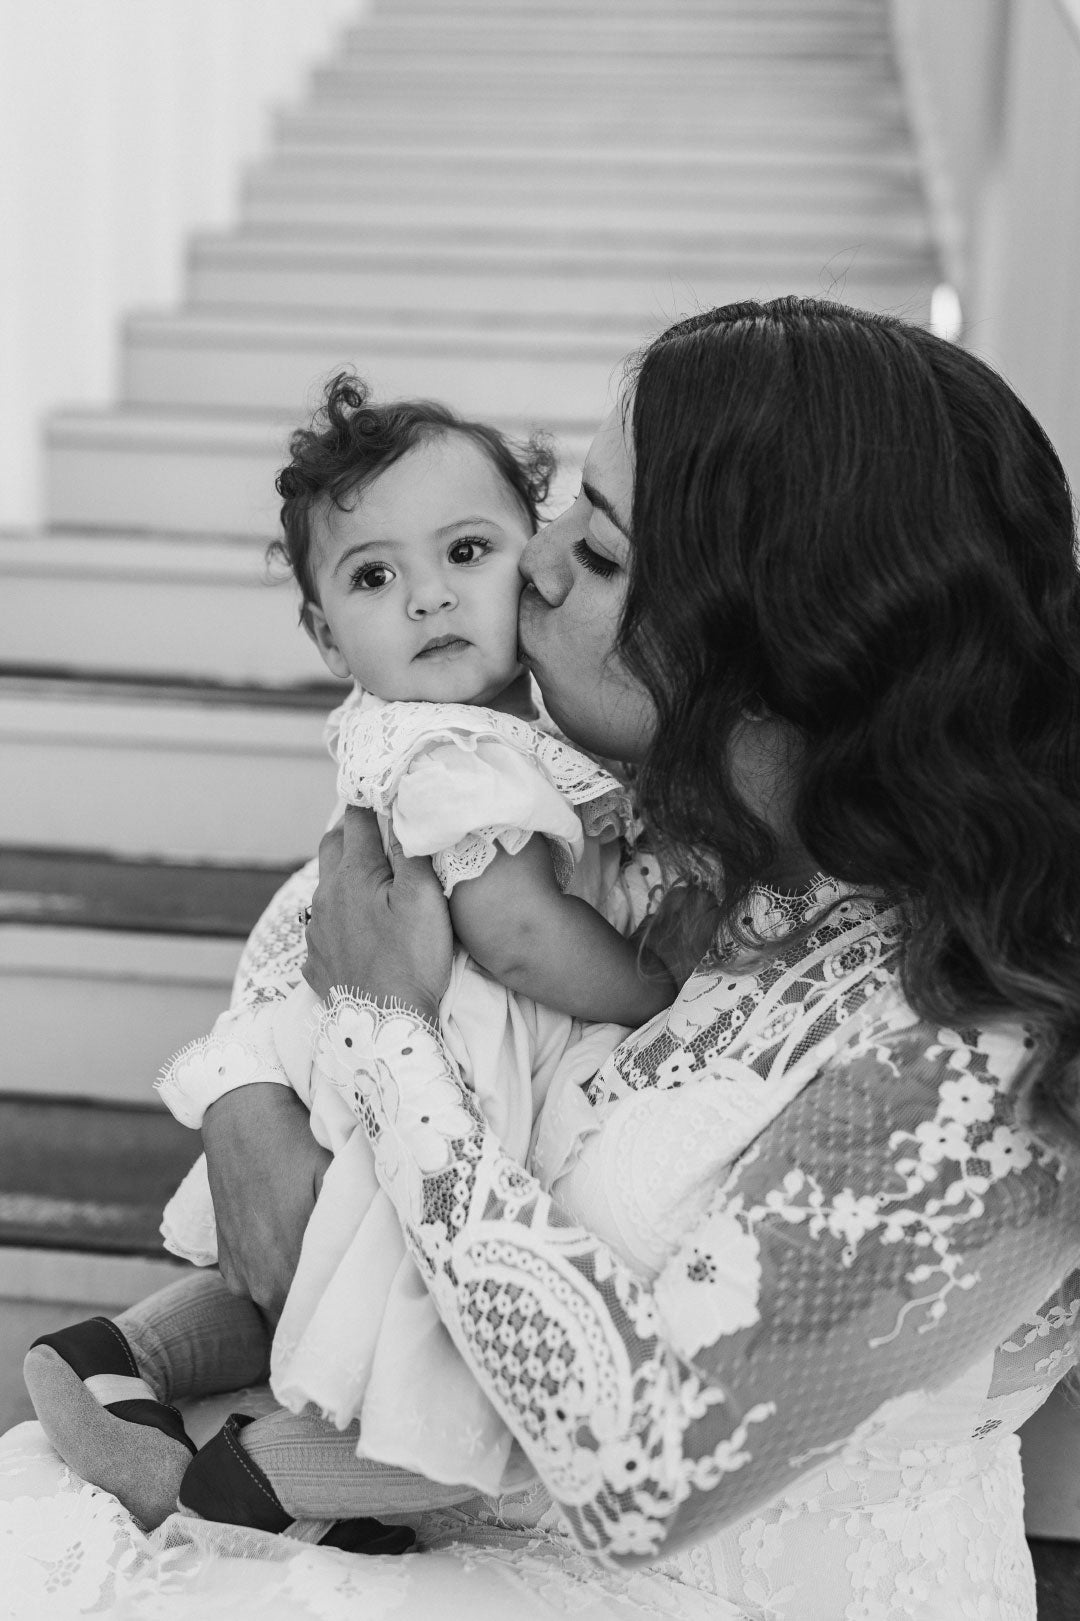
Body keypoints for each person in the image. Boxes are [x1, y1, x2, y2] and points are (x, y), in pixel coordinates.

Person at [4, 294, 1080, 1621]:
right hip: (457, 1525)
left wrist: (389, 1042)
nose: (537, 562)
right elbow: (331, 903)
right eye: (567, 502)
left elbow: (648, 1474)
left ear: (778, 641)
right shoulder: (666, 839)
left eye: (605, 547)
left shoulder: (983, 1050)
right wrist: (243, 1093)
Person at [21, 377, 678, 1542]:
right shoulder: (455, 749)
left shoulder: (498, 740)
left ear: (530, 560)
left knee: (344, 1257)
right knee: (407, 1303)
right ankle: (277, 1470)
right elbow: (520, 933)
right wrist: (650, 991)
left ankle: (124, 1351)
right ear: (326, 633)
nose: (428, 595)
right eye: (373, 577)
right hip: (433, 1047)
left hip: (385, 1034)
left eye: (466, 550)